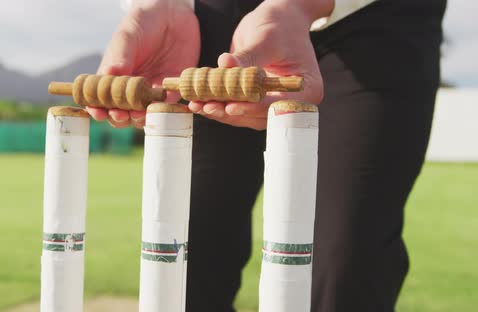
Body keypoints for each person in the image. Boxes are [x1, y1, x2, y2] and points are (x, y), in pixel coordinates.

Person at [87, 0, 447, 311]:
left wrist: (300, 5)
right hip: (215, 21)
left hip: (376, 23)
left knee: (346, 259)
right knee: (190, 250)